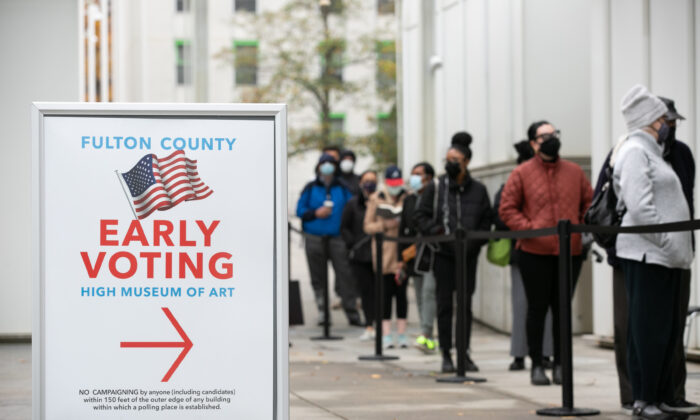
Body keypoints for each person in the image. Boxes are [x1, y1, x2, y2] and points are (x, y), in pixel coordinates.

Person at [595, 96, 699, 416]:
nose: (669, 125)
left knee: (666, 330)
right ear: (650, 120)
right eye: (664, 119)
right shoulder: (635, 151)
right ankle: (643, 399)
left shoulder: (660, 152)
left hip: (666, 257)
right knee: (645, 330)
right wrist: (666, 242)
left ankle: (665, 396)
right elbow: (640, 209)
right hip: (647, 256)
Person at [499, 121, 592, 386]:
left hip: (569, 251)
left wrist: (579, 227)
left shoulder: (574, 172)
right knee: (537, 310)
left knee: (563, 309)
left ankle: (562, 365)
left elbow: (590, 203)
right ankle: (537, 364)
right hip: (534, 252)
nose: (550, 139)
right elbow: (508, 209)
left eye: (554, 134)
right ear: (533, 143)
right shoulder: (521, 173)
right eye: (544, 136)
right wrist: (531, 230)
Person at [414, 132, 492, 373]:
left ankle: (463, 353)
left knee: (465, 306)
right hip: (443, 255)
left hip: (468, 257)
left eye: (455, 159)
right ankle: (446, 353)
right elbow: (420, 217)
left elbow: (485, 222)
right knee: (444, 305)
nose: (450, 163)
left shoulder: (478, 190)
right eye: (447, 158)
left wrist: (473, 244)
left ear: (466, 162)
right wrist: (439, 234)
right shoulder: (436, 187)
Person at [493, 140, 554, 372]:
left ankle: (545, 353)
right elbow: (501, 213)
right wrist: (527, 227)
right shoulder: (514, 180)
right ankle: (520, 353)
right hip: (522, 251)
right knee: (522, 306)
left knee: (543, 306)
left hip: (545, 249)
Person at [296, 153, 361, 326]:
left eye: (330, 163)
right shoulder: (310, 187)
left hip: (337, 239)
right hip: (314, 238)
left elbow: (352, 208)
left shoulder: (342, 187)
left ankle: (352, 313)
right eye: (323, 163)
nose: (327, 166)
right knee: (317, 278)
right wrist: (316, 213)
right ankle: (323, 313)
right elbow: (300, 210)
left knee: (346, 276)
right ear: (318, 167)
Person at [364, 165, 409, 349]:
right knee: (384, 295)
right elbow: (367, 226)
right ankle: (386, 335)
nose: (395, 187)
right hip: (384, 253)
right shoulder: (377, 199)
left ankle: (402, 334)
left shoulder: (408, 197)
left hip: (402, 253)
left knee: (402, 295)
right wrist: (385, 225)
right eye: (392, 183)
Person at [399, 162, 438, 353]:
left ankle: (427, 333)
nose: (414, 178)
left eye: (418, 174)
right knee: (420, 294)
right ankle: (427, 335)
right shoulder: (410, 200)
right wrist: (402, 257)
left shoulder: (436, 198)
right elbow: (403, 230)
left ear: (429, 177)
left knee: (429, 293)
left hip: (431, 252)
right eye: (412, 174)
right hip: (414, 254)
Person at [341, 170, 378, 341]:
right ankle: (369, 324)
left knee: (380, 292)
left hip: (380, 254)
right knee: (366, 292)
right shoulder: (352, 204)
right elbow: (345, 227)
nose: (369, 184)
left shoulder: (381, 202)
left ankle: (380, 325)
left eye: (373, 181)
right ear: (361, 183)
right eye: (366, 181)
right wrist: (352, 244)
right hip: (360, 255)